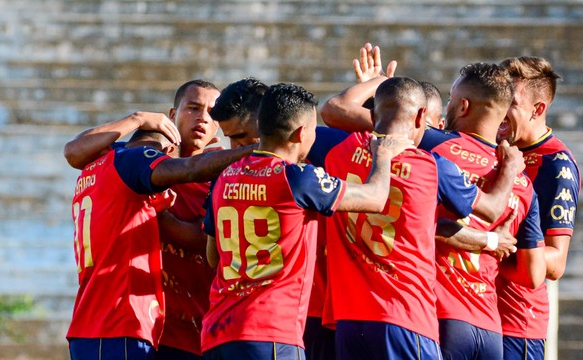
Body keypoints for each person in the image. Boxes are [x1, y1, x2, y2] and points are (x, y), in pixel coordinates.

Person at [307, 76, 524, 360]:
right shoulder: (432, 165)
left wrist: (374, 82)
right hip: (406, 316)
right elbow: (492, 209)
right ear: (422, 116)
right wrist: (509, 169)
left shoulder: (337, 148)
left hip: (349, 319)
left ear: (372, 114)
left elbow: (329, 112)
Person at [201, 83, 412, 360]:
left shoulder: (225, 177)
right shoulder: (298, 178)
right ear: (302, 132)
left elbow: (214, 257)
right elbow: (374, 198)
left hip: (218, 332)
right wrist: (382, 156)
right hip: (271, 332)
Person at [65, 79, 241, 359]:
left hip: (186, 330)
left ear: (218, 126)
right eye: (193, 108)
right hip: (132, 323)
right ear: (171, 117)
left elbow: (204, 241)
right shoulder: (138, 166)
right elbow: (73, 151)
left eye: (211, 113)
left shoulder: (216, 179)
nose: (202, 118)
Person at [416, 63, 546, 360]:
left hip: (440, 315)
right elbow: (534, 273)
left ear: (463, 106)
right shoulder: (523, 182)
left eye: (450, 99)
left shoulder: (434, 147)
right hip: (489, 328)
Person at [496, 56, 581, 360]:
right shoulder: (490, 146)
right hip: (478, 318)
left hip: (518, 324)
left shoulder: (555, 164)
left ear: (538, 109)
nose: (499, 109)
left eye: (511, 101)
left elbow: (556, 262)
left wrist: (489, 247)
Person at [321, 43, 445, 132]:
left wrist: (380, 82)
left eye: (426, 125)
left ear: (441, 126)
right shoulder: (373, 141)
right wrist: (374, 96)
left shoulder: (440, 162)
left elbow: (335, 108)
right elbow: (335, 110)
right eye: (401, 116)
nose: (409, 126)